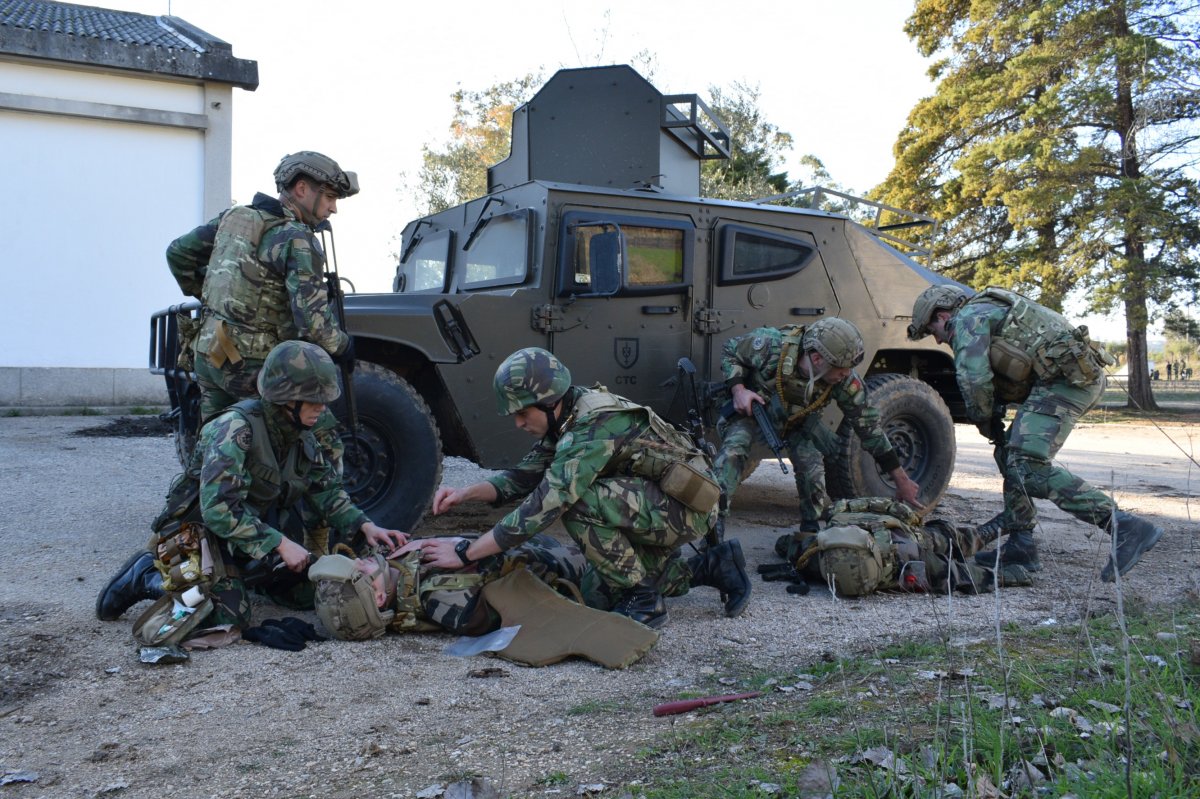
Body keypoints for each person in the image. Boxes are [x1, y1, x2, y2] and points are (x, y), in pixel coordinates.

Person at [407, 347, 752, 629]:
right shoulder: (567, 417)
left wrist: (466, 553)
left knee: (578, 504)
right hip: (658, 503)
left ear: (549, 402)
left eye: (523, 412)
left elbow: (544, 505)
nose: (518, 423)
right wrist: (465, 493)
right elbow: (522, 478)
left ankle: (645, 602)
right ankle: (715, 566)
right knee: (596, 593)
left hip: (687, 507)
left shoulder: (592, 427)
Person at [95, 341, 405, 628]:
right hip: (197, 536)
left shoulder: (300, 433)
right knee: (225, 614)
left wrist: (365, 525)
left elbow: (325, 490)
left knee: (308, 592)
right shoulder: (234, 429)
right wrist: (280, 544)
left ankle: (244, 578)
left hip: (246, 536)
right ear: (286, 398)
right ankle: (148, 575)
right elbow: (217, 511)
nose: (322, 408)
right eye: (314, 400)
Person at [908, 284, 1162, 581]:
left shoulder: (967, 319)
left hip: (1067, 385)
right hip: (1062, 381)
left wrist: (984, 420)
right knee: (1010, 455)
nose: (938, 339)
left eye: (933, 330)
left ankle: (1123, 526)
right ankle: (1021, 545)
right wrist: (996, 429)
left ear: (943, 315)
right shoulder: (989, 308)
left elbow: (974, 379)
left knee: (1026, 466)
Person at [166, 151, 358, 423]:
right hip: (251, 364)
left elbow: (178, 253)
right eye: (329, 197)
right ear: (302, 189)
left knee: (216, 436)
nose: (333, 208)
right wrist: (343, 346)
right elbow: (313, 323)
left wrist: (215, 296)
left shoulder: (235, 217)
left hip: (209, 351)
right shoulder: (297, 238)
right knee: (306, 432)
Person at [712, 318, 922, 556]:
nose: (846, 374)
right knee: (733, 451)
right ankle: (714, 524)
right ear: (817, 358)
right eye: (841, 368)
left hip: (797, 423)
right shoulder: (771, 346)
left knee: (812, 469)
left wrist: (901, 479)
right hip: (753, 411)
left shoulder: (845, 381)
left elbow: (869, 428)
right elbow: (731, 350)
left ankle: (809, 534)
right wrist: (739, 390)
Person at [772, 497, 1033, 597]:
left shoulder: (905, 557)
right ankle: (1003, 523)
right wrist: (1009, 576)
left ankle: (1001, 525)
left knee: (954, 541)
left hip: (902, 533)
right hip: (866, 520)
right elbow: (790, 544)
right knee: (950, 541)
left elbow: (959, 574)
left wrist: (1009, 576)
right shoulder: (818, 559)